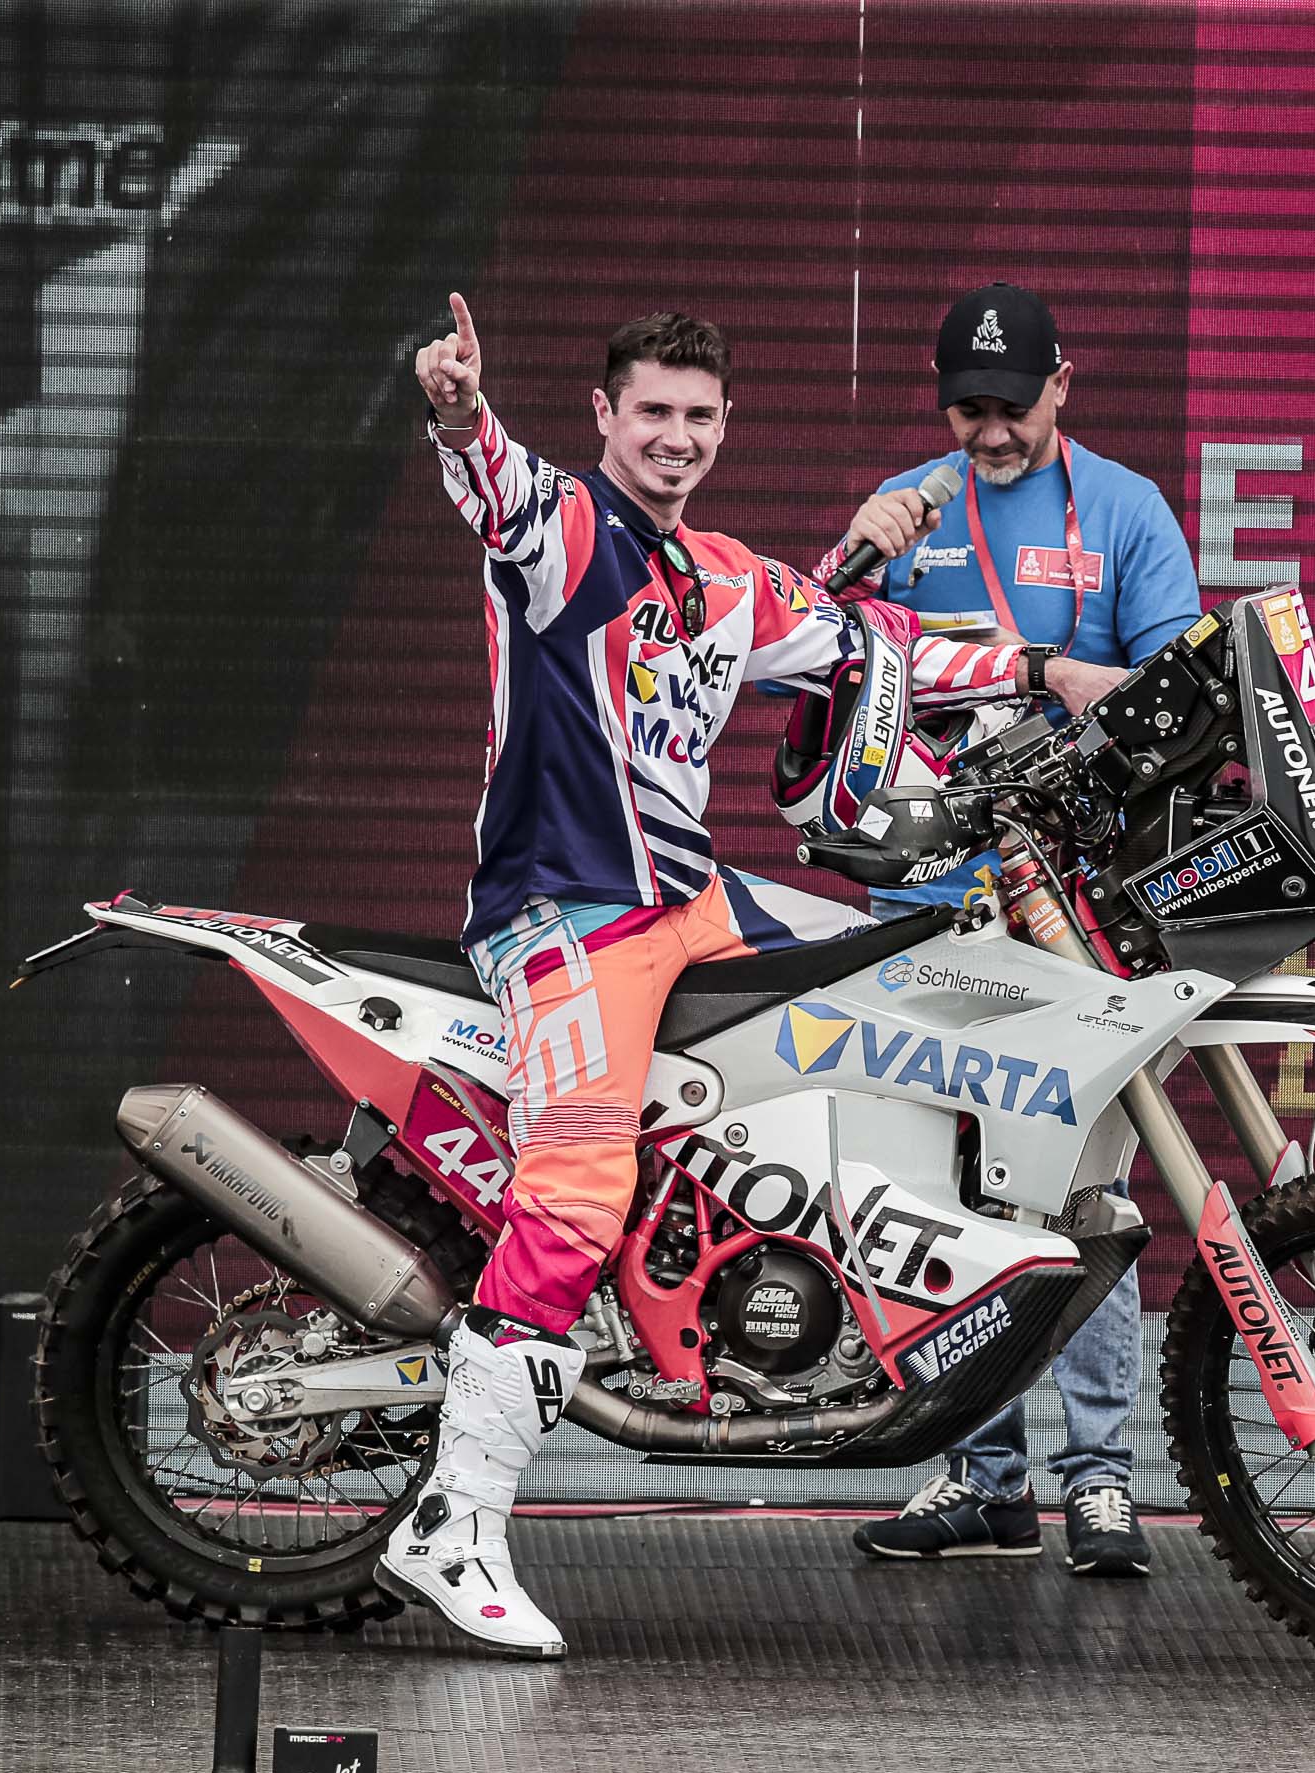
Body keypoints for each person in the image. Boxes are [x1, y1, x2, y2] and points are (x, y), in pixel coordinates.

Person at [386, 292, 1050, 1659]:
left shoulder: (727, 578)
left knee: (904, 979)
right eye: (654, 414)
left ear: (726, 425)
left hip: (694, 903)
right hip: (567, 917)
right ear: (606, 418)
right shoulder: (565, 531)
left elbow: (890, 653)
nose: (676, 438)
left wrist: (1055, 673)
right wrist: (456, 407)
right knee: (576, 1187)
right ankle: (451, 1525)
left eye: (699, 417)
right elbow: (493, 486)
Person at [820, 281, 1203, 1578]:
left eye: (1010, 406)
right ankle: (982, 1475)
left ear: (1063, 386)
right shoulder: (908, 509)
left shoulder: (1126, 511)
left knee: (1082, 1192)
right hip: (923, 900)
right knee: (940, 1197)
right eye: (965, 408)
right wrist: (849, 561)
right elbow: (816, 667)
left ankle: (1100, 1479)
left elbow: (1172, 700)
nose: (986, 433)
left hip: (1068, 914)